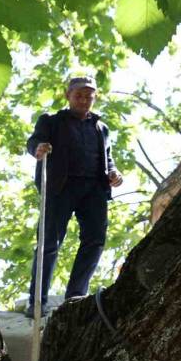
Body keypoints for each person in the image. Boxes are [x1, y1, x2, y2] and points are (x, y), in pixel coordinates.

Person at [25, 75, 124, 317]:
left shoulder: (102, 128)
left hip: (94, 190)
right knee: (49, 242)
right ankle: (37, 300)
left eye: (89, 96)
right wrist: (38, 149)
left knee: (95, 240)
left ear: (95, 98)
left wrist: (114, 172)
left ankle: (76, 296)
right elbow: (34, 140)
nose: (84, 100)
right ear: (68, 96)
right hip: (61, 187)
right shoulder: (51, 121)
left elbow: (107, 158)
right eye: (78, 95)